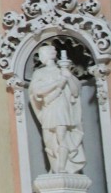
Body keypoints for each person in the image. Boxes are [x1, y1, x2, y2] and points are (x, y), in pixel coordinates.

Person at [28, 41, 86, 174]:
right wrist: (58, 83)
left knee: (62, 137)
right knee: (49, 140)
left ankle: (61, 168)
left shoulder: (63, 71)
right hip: (49, 108)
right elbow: (37, 91)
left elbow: (75, 92)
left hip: (61, 108)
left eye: (42, 54)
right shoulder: (40, 73)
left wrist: (68, 76)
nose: (42, 57)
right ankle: (55, 167)